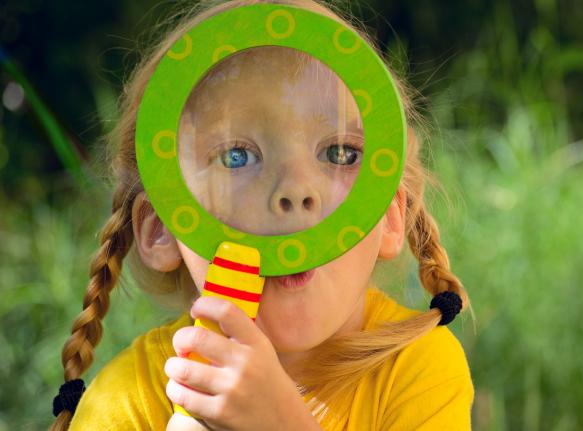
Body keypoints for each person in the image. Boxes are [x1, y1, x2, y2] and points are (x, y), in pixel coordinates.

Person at [49, 1, 473, 430]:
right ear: (162, 228)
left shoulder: (419, 369)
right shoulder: (127, 399)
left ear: (390, 216)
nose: (294, 190)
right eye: (237, 156)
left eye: (340, 152)